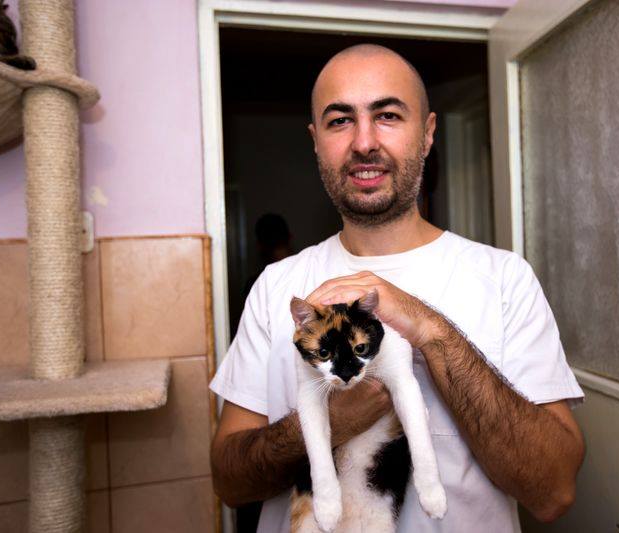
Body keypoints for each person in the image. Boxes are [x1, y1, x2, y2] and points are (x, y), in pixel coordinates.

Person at [210, 44, 585, 533]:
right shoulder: (275, 287)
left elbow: (554, 491)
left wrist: (429, 328)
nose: (364, 142)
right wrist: (328, 422)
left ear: (427, 134)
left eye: (387, 115)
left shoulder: (504, 279)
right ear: (316, 141)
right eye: (340, 120)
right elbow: (229, 482)